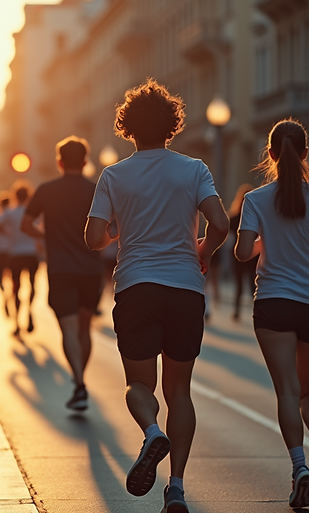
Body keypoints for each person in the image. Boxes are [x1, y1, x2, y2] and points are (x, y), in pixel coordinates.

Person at [85, 79, 229, 512]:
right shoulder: (194, 169)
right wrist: (203, 252)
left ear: (127, 128)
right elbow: (221, 224)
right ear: (172, 125)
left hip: (137, 287)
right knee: (179, 391)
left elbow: (93, 237)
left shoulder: (114, 175)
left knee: (138, 384)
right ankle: (177, 488)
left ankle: (151, 432)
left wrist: (117, 229)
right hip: (185, 287)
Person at [235, 119, 309, 508]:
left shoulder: (255, 199)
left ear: (270, 154)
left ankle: (300, 468)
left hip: (274, 303)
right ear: (305, 153)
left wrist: (266, 244)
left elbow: (243, 252)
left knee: (286, 390)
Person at [21, 136, 102, 412]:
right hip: (91, 268)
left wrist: (46, 237)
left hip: (60, 268)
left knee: (68, 328)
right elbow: (111, 224)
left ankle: (79, 382)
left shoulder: (46, 190)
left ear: (59, 162)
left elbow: (26, 225)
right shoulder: (96, 190)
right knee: (84, 328)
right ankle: (81, 378)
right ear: (85, 162)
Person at [0, 182, 41, 336]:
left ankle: (17, 323)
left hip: (15, 254)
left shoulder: (9, 212)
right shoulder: (33, 212)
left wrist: (9, 235)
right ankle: (30, 310)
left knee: (16, 288)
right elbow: (39, 229)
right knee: (32, 285)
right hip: (31, 253)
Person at [228, 185, 257, 320]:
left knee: (239, 285)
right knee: (253, 284)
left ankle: (237, 311)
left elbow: (227, 234)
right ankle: (256, 310)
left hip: (238, 254)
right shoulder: (256, 217)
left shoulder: (235, 217)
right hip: (253, 253)